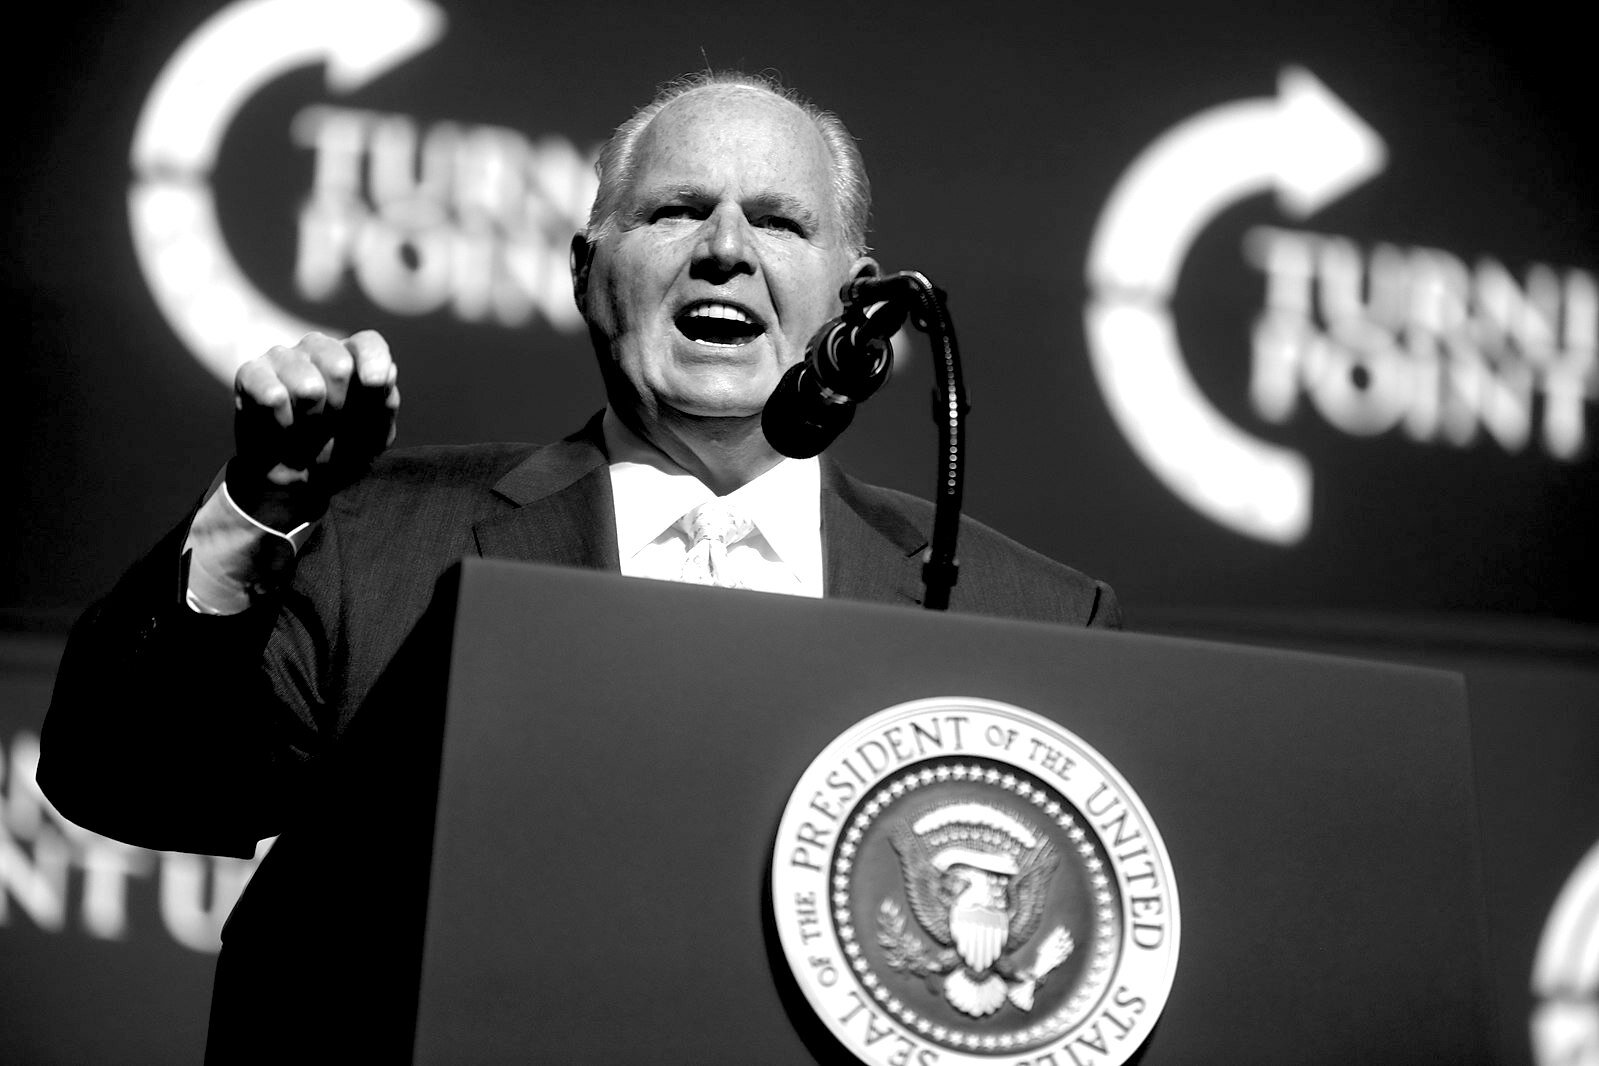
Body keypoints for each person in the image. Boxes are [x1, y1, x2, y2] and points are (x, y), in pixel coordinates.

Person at [39, 71, 1121, 1060]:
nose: (725, 250)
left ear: (858, 299)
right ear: (585, 269)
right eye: (676, 210)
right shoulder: (376, 538)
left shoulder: (1028, 614)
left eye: (780, 221)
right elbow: (128, 778)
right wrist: (255, 513)